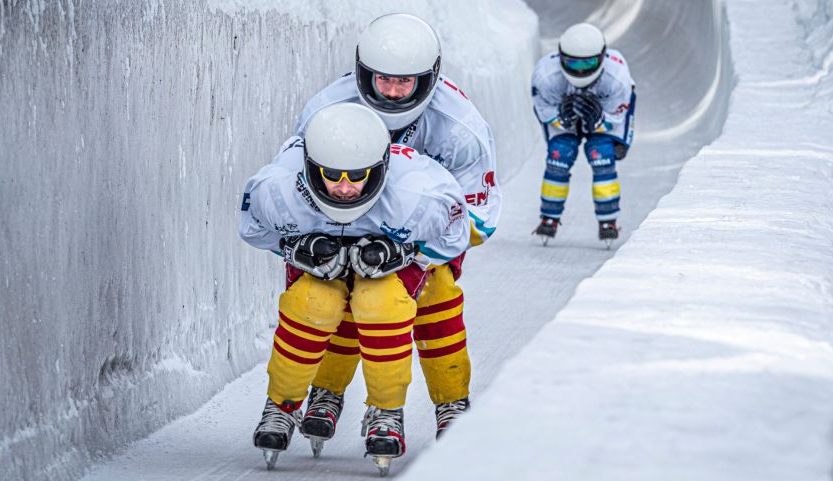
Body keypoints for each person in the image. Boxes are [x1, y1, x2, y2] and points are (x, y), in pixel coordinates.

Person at [292, 13, 500, 443]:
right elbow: (298, 187)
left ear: (430, 79)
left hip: (427, 234)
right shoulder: (326, 111)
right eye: (382, 79)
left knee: (433, 293)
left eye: (404, 83)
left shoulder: (460, 129)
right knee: (340, 286)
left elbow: (479, 219)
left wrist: (413, 253)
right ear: (362, 72)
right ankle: (326, 391)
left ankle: (451, 400)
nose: (390, 92)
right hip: (343, 222)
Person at [238, 103, 469, 473]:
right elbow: (252, 227)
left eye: (357, 176)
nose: (345, 188)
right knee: (312, 302)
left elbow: (456, 235)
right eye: (331, 175)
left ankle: (388, 408)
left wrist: (407, 253)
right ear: (310, 168)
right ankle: (281, 404)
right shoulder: (277, 188)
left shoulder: (420, 195)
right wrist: (294, 248)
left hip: (399, 253)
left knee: (383, 302)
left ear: (380, 169)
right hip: (324, 255)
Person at [530, 23, 636, 246]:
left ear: (601, 57)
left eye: (587, 63)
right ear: (560, 57)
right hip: (562, 115)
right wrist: (562, 118)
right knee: (559, 156)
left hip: (605, 115)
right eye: (572, 63)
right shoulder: (545, 77)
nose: (579, 71)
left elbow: (619, 115)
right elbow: (543, 111)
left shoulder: (617, 78)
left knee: (602, 155)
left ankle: (608, 221)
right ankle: (549, 216)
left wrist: (600, 121)